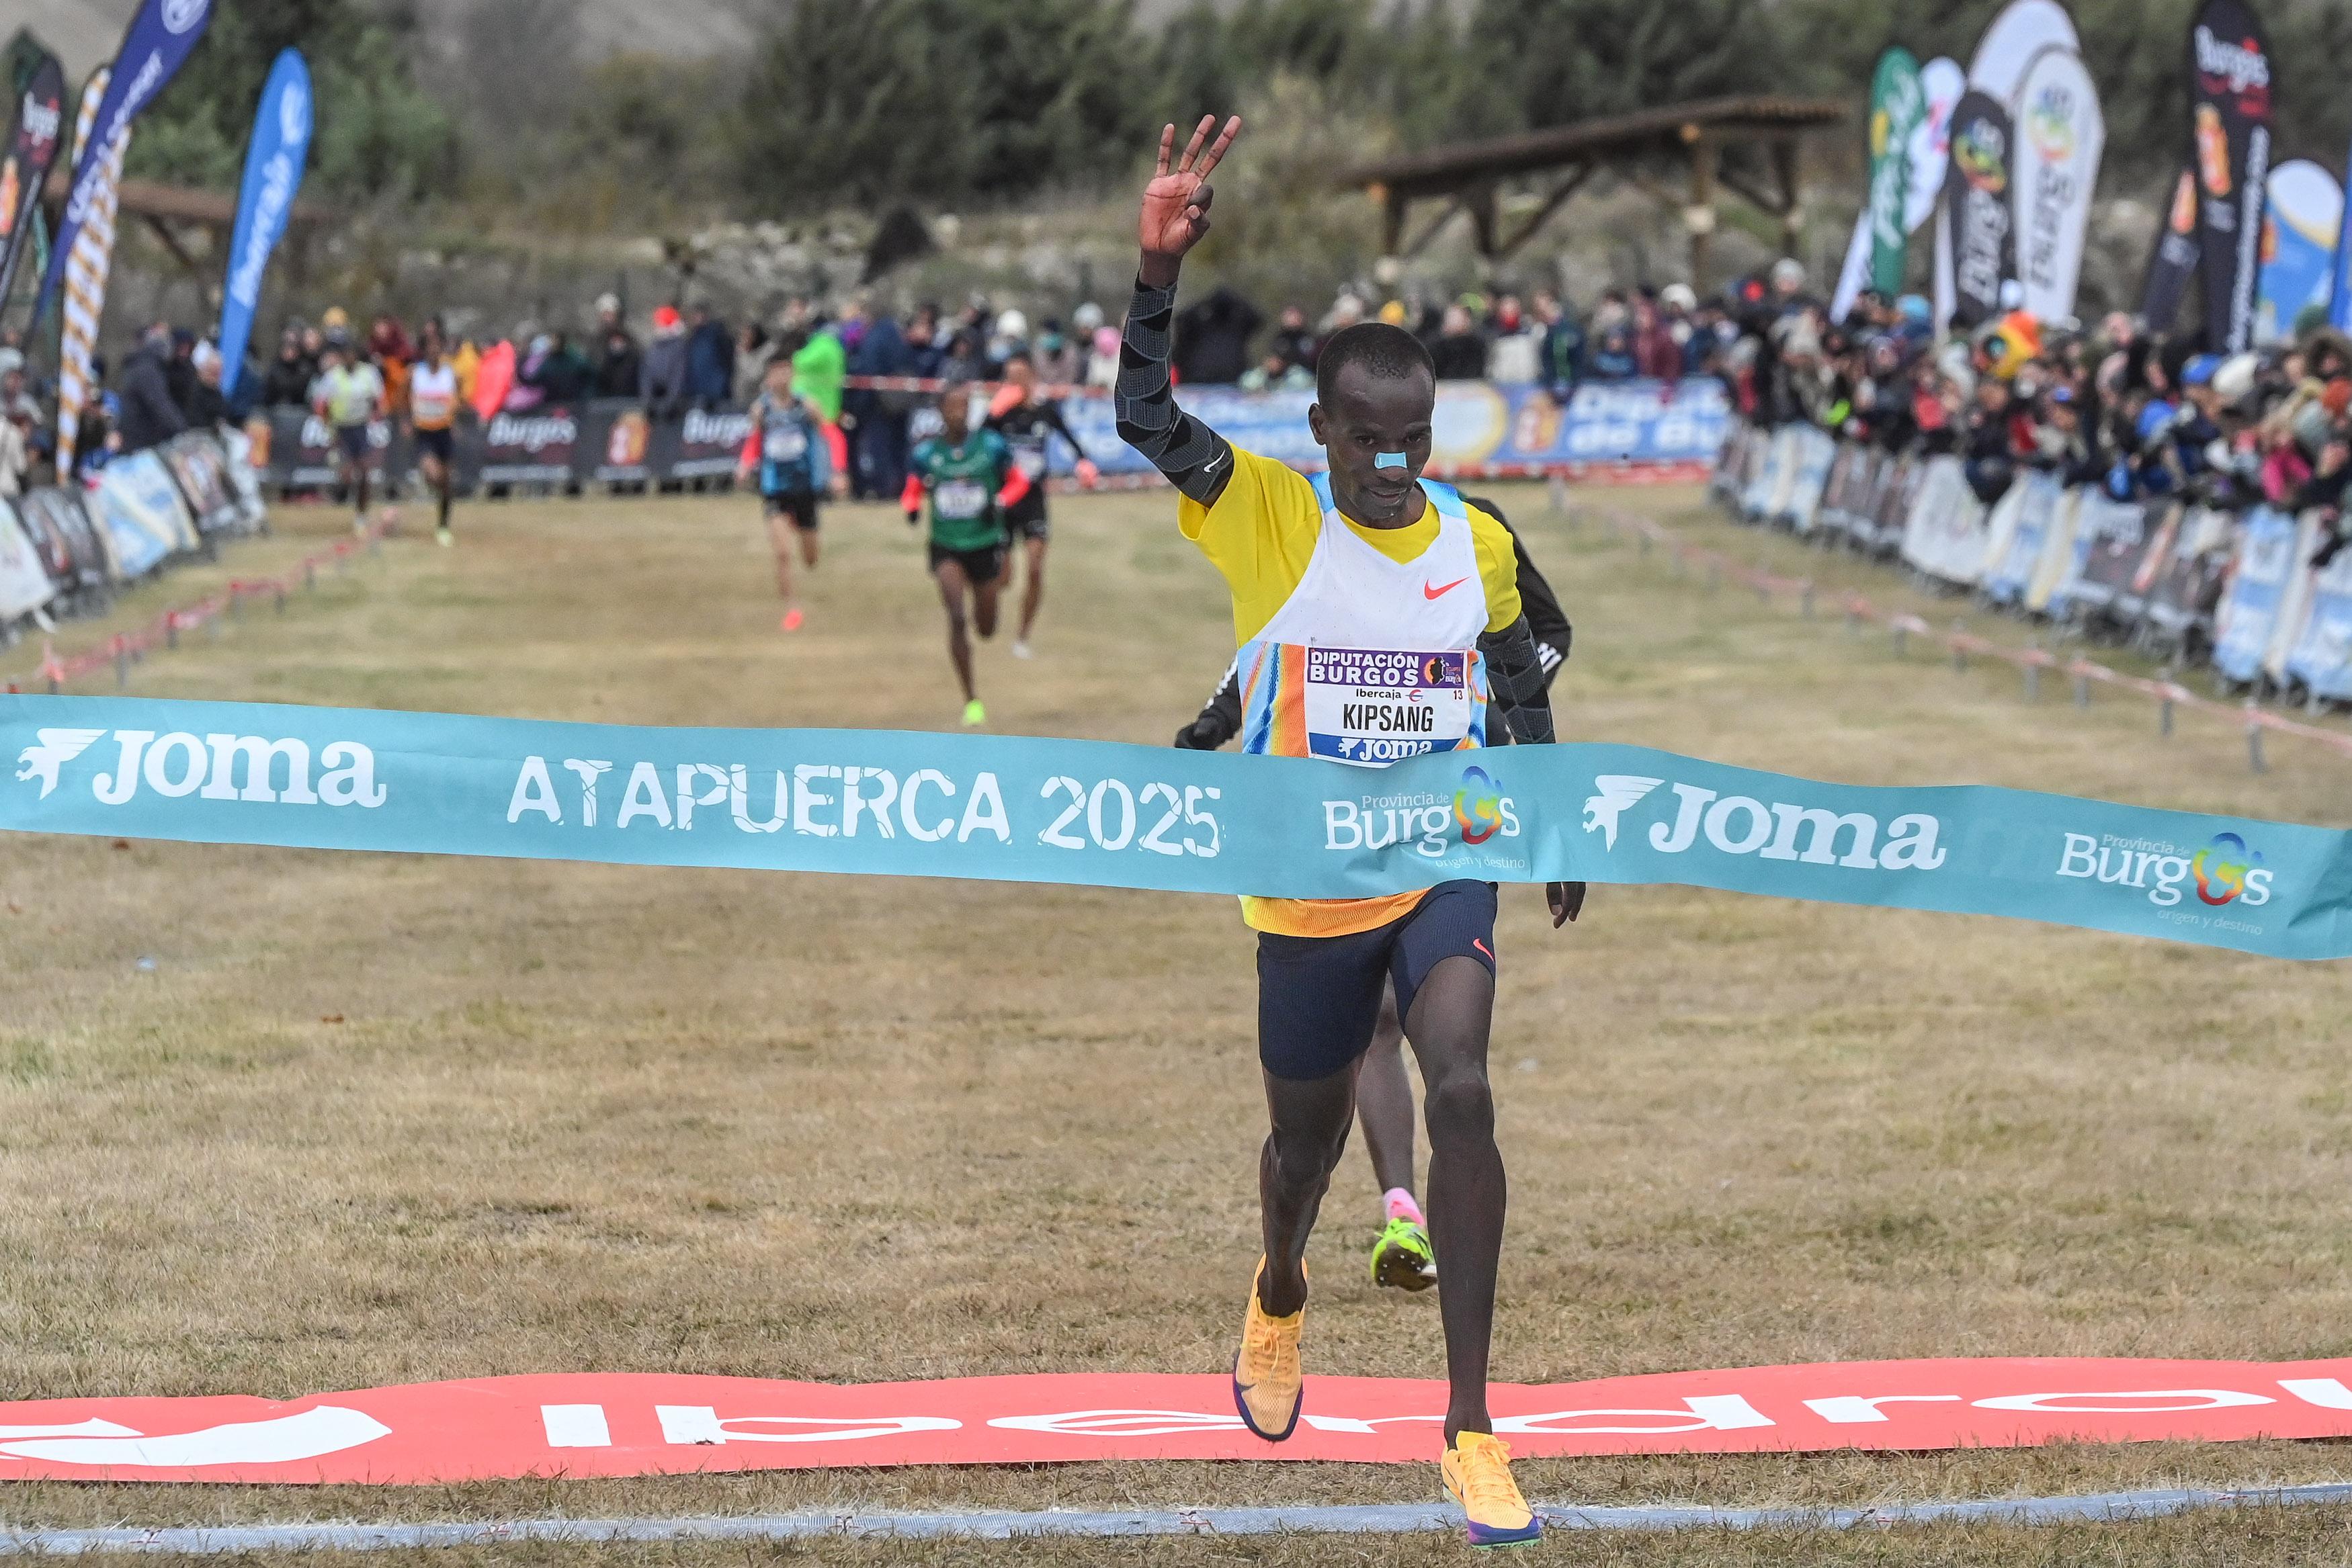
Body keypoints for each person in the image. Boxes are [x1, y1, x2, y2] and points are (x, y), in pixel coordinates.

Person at [1114, 116, 1579, 1550]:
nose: (1391, 467)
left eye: (1413, 442)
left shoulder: (1474, 537)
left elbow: (1514, 672)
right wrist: (1154, 271)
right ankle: (1276, 1289)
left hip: (1439, 857)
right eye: (1366, 443)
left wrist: (1547, 815)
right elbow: (1143, 418)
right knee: (1301, 1151)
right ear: (1320, 432)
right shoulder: (1264, 510)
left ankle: (1472, 1429)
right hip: (1304, 885)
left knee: (1462, 1087)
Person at [1173, 496, 1573, 1298]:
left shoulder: (1475, 531)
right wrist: (1216, 720)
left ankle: (1406, 1216)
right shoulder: (1312, 538)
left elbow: (1541, 636)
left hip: (1440, 813)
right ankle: (1370, 1221)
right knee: (1358, 1047)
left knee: (1414, 1025)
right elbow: (1268, 645)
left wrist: (1483, 712)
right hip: (1331, 829)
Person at [901, 388, 1030, 726]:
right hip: (947, 545)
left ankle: (984, 613)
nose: (957, 413)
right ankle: (971, 698)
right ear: (941, 411)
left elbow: (1019, 481)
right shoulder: (928, 452)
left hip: (985, 543)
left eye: (963, 407)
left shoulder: (991, 447)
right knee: (956, 616)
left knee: (986, 627)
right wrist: (912, 506)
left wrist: (999, 502)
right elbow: (913, 485)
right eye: (951, 407)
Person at [984, 353, 1100, 658]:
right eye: (1010, 377)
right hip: (1004, 499)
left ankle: (1022, 636)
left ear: (1032, 378)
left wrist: (1084, 462)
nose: (1015, 383)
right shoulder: (1000, 415)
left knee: (1035, 568)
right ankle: (985, 608)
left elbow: (1068, 436)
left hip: (1033, 500)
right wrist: (993, 413)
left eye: (1021, 376)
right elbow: (977, 443)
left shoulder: (1044, 411)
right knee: (1004, 577)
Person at [737, 355, 849, 631]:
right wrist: (745, 463)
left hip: (804, 487)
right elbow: (756, 440)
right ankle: (792, 609)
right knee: (783, 553)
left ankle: (800, 526)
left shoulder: (806, 406)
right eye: (776, 372)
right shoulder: (761, 410)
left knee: (810, 559)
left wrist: (838, 470)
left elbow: (832, 435)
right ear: (768, 379)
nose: (781, 378)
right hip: (775, 488)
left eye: (786, 372)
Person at [310, 335, 386, 533]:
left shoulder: (369, 374)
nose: (350, 358)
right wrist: (328, 428)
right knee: (346, 473)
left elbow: (377, 401)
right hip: (341, 429)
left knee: (364, 473)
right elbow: (322, 404)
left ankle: (361, 515)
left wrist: (376, 419)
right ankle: (339, 491)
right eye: (346, 355)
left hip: (360, 428)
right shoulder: (332, 377)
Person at [407, 323, 462, 546]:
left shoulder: (451, 374)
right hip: (424, 431)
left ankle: (443, 525)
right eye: (430, 347)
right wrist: (405, 421)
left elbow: (458, 401)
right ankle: (428, 481)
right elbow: (403, 398)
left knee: (446, 483)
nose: (434, 351)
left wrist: (456, 421)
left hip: (444, 431)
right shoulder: (415, 373)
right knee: (433, 474)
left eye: (437, 347)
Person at [116, 323, 187, 455]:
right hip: (139, 438)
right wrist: (181, 429)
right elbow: (159, 404)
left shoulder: (142, 365)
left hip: (134, 433)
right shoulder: (149, 371)